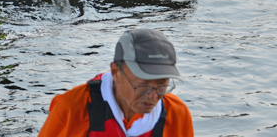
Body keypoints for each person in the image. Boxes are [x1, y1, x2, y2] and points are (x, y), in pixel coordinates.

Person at [38, 29, 194, 137]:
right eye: (143, 85)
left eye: (162, 85)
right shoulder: (72, 108)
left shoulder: (177, 114)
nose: (153, 96)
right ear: (115, 73)